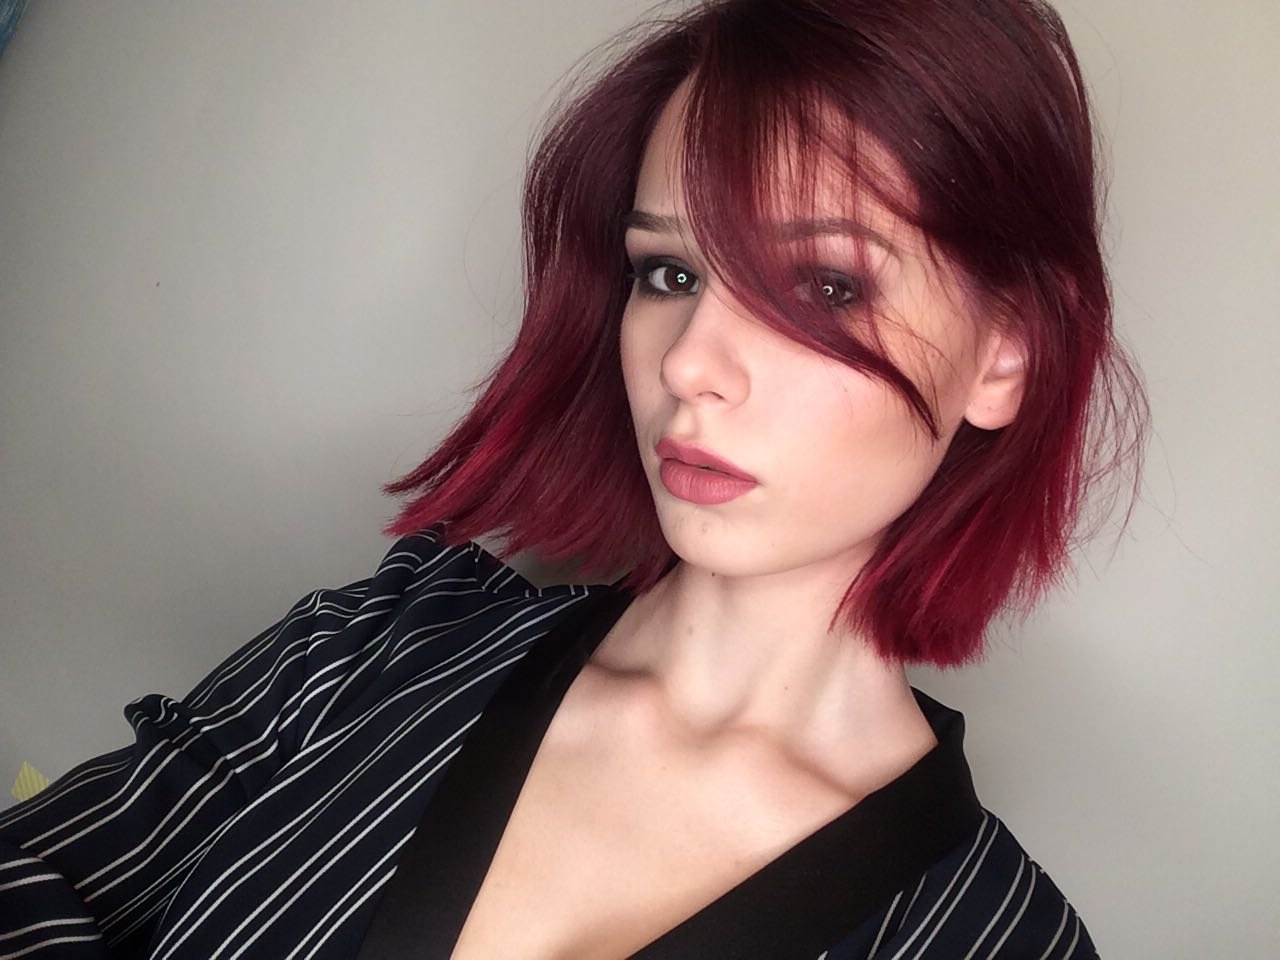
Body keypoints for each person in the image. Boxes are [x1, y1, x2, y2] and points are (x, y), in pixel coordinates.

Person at [0, 0, 1147, 956]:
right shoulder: (378, 647)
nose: (688, 363)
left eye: (823, 288)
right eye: (669, 273)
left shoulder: (993, 939)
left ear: (1004, 355)